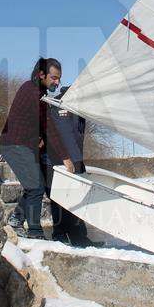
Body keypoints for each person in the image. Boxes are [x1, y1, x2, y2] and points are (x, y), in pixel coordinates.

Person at [0, 58, 74, 239]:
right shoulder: (34, 93)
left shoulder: (34, 90)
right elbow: (49, 126)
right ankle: (35, 233)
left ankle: (16, 220)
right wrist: (66, 157)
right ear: (42, 75)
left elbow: (33, 122)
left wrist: (36, 138)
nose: (57, 82)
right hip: (15, 145)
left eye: (59, 79)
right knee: (36, 187)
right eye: (54, 78)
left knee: (34, 186)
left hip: (21, 144)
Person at [40, 86, 102, 247]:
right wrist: (72, 160)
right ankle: (60, 234)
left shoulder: (79, 109)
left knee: (78, 197)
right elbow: (63, 135)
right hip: (61, 160)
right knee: (60, 198)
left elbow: (77, 136)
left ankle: (79, 236)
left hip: (75, 158)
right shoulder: (59, 106)